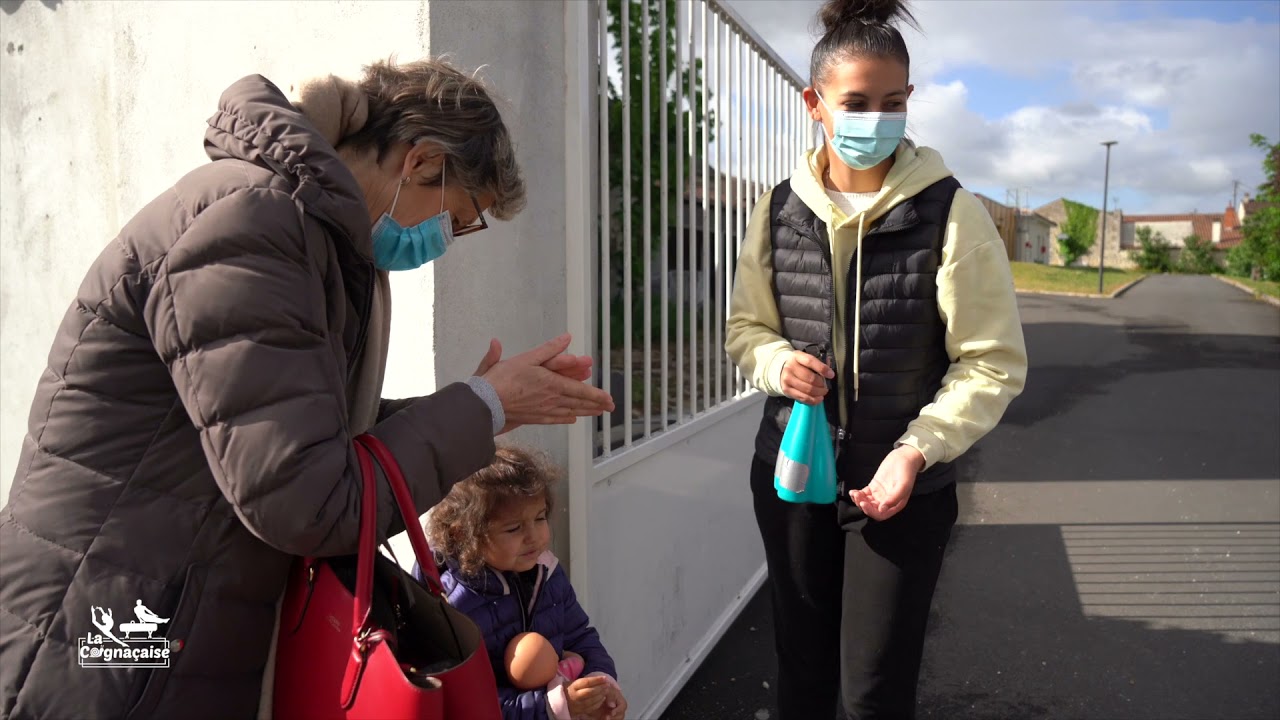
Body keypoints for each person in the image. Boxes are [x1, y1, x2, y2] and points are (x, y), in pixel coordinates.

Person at [0, 58, 614, 719]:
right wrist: (484, 405)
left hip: (161, 618)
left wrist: (484, 407)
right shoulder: (249, 228)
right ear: (420, 161)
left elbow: (300, 430)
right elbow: (306, 497)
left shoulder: (308, 236)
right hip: (108, 636)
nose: (449, 242)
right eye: (459, 219)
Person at [724, 0, 1028, 717]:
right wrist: (774, 364)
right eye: (855, 102)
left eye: (892, 103)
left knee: (874, 691)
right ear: (815, 103)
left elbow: (991, 362)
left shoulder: (952, 212)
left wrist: (917, 451)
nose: (875, 120)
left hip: (901, 495)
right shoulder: (776, 210)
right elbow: (746, 329)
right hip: (793, 478)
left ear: (910, 101)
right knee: (801, 672)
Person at [420, 446, 626, 720]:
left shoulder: (547, 572)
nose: (534, 536)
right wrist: (553, 706)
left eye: (540, 518)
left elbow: (579, 634)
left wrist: (600, 685)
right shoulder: (455, 605)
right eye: (514, 528)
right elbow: (468, 701)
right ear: (464, 535)